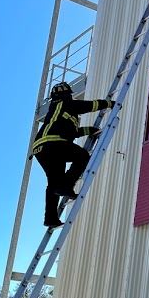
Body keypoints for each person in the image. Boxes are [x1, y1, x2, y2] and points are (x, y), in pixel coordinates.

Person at [32, 81, 114, 228]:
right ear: (67, 94)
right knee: (82, 156)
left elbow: (70, 132)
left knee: (53, 182)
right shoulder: (66, 103)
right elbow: (88, 106)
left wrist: (88, 130)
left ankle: (50, 219)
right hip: (54, 144)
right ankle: (67, 185)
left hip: (41, 148)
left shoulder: (57, 111)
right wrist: (108, 103)